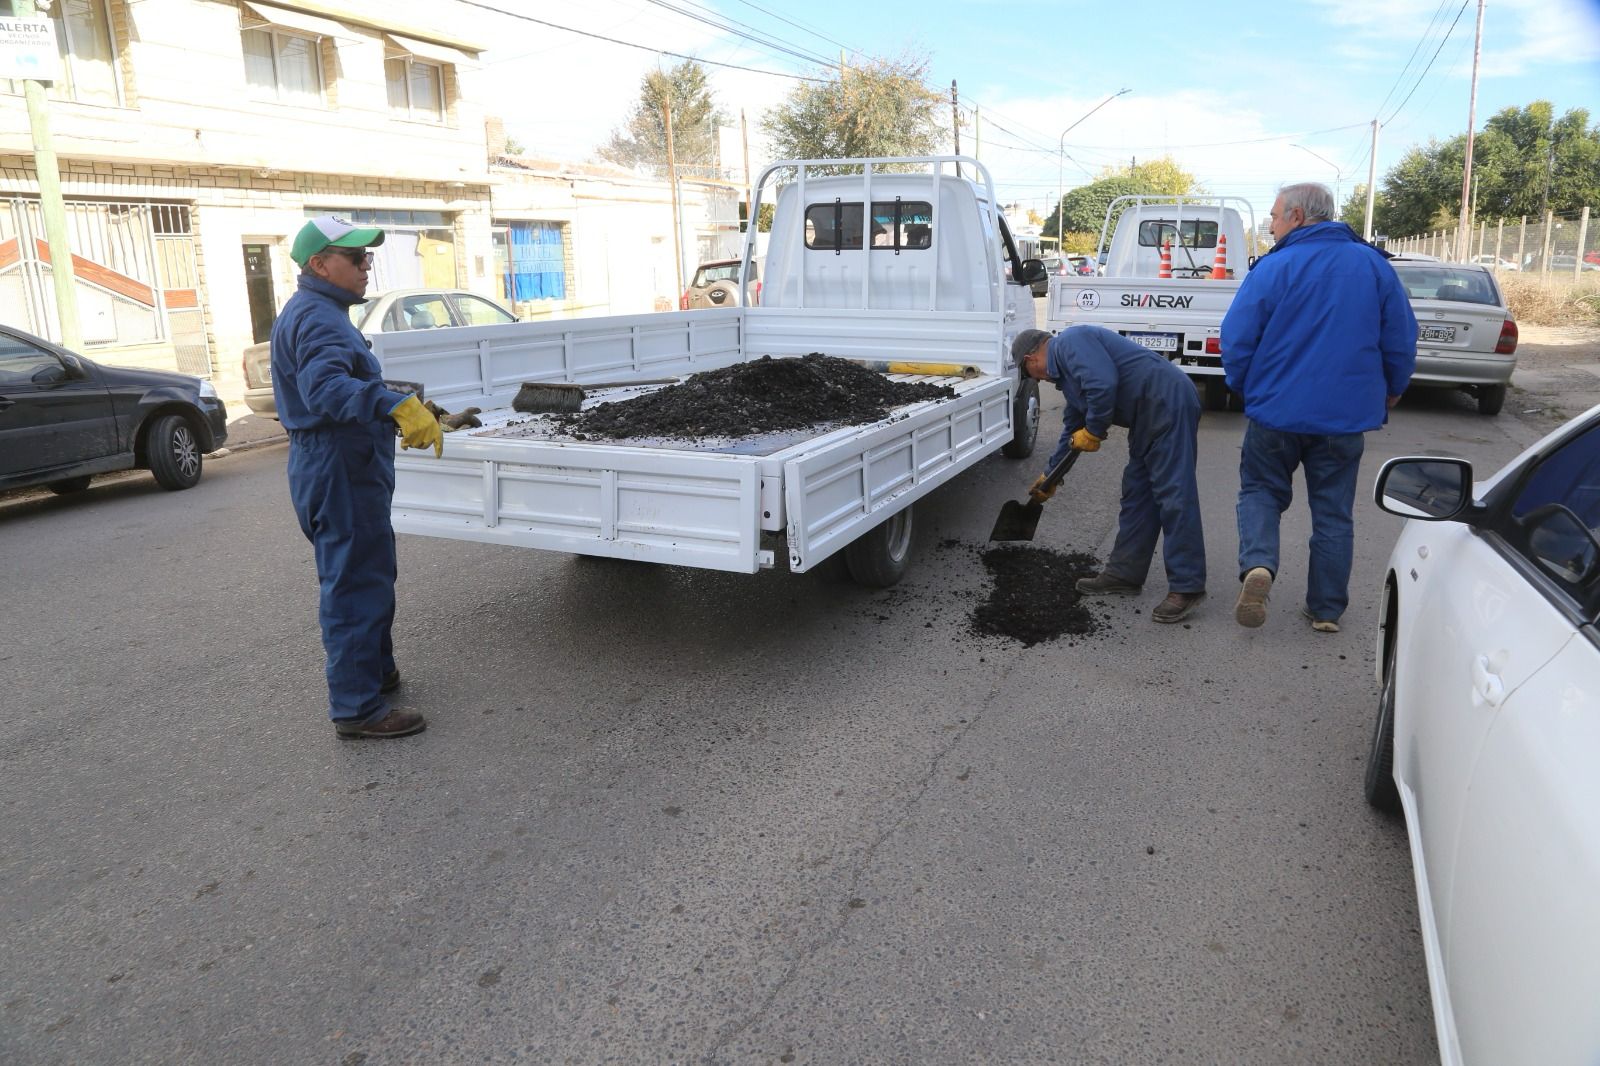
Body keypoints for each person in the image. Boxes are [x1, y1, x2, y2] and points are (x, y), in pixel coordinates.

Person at [271, 216, 445, 738]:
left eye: (367, 256)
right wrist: (391, 404)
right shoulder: (320, 318)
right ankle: (357, 707)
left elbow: (342, 380)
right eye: (354, 257)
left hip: (338, 464)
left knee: (370, 570)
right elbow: (326, 390)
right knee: (353, 585)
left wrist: (408, 405)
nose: (366, 264)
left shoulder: (321, 311)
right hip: (337, 466)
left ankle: (375, 673)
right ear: (319, 264)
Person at [1220, 183, 1416, 633]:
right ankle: (1325, 610)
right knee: (1333, 512)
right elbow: (1401, 335)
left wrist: (1245, 387)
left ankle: (1259, 565)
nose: (1269, 225)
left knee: (1260, 493)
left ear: (1298, 217)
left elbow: (1237, 337)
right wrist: (1394, 387)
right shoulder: (1372, 265)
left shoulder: (1273, 267)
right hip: (1343, 419)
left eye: (1273, 216)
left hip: (1275, 412)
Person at [1013, 325, 1207, 624]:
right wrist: (1049, 476)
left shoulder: (1070, 342)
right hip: (1146, 416)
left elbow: (1102, 384)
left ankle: (1187, 586)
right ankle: (1124, 574)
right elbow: (1071, 429)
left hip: (1168, 402)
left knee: (1174, 495)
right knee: (1137, 495)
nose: (1038, 378)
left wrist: (1095, 429)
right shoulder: (1067, 376)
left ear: (1031, 358)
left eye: (1030, 372)